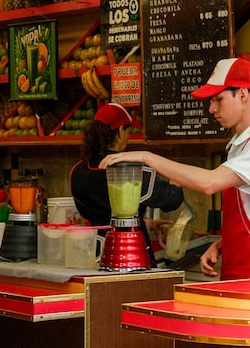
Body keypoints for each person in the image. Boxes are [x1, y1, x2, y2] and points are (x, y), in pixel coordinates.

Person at [101, 58, 250, 279]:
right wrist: (223, 244)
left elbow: (210, 183)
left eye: (218, 99)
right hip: (240, 271)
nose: (211, 108)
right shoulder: (240, 144)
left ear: (243, 95)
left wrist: (148, 157)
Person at [70, 102, 184, 263]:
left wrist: (147, 222)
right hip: (130, 251)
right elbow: (171, 200)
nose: (129, 135)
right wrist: (177, 178)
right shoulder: (128, 171)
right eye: (128, 129)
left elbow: (100, 211)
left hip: (92, 252)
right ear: (120, 131)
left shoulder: (78, 170)